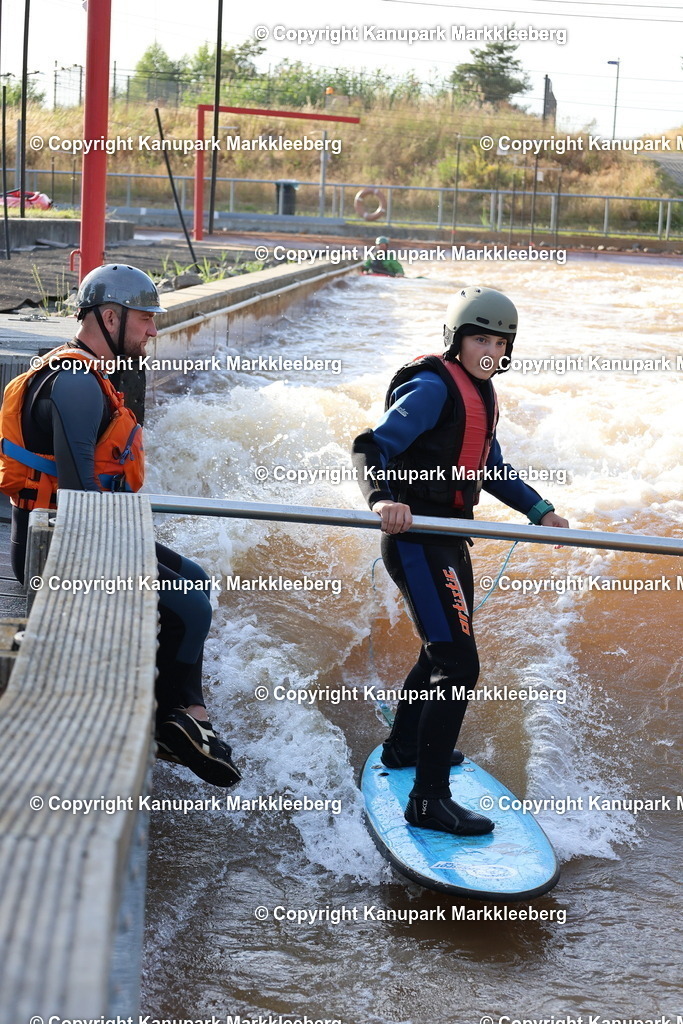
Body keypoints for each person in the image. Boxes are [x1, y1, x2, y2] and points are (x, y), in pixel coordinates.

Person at [0, 263, 240, 788]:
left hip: (77, 534)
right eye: (146, 319)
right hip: (59, 553)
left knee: (195, 576)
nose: (153, 331)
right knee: (192, 605)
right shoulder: (78, 385)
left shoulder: (87, 375)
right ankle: (169, 719)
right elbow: (81, 496)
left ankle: (186, 716)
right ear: (110, 317)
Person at [352, 285, 568, 836]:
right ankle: (427, 801)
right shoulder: (430, 388)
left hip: (450, 540)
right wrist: (383, 500)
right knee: (459, 665)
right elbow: (368, 445)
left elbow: (489, 465)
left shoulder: (484, 394)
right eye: (479, 338)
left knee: (441, 653)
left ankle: (403, 748)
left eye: (499, 341)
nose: (488, 350)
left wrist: (540, 510)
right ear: (456, 340)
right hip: (415, 537)